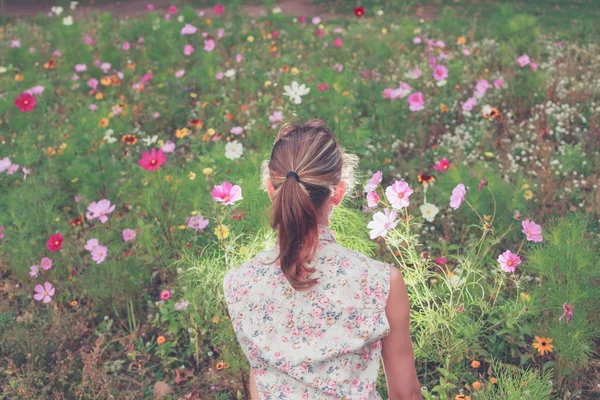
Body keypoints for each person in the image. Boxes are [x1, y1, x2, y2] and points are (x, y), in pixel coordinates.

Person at [223, 120, 421, 399]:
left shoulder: (239, 283)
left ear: (270, 189)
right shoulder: (381, 282)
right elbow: (406, 395)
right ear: (338, 193)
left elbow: (262, 380)